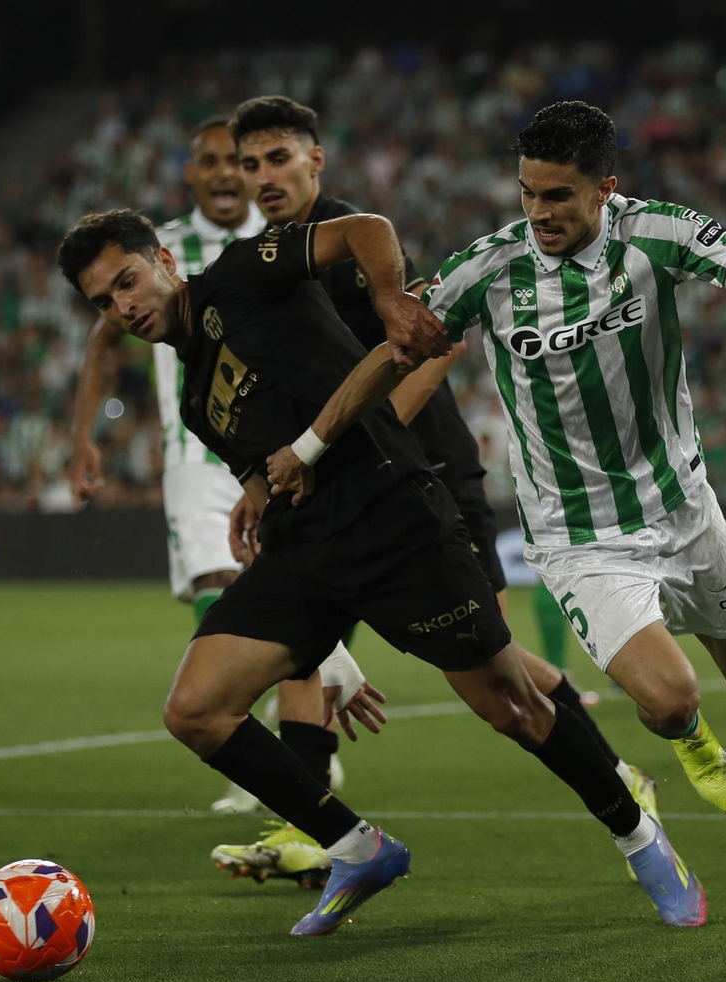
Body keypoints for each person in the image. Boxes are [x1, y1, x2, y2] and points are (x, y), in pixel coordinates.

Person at [267, 100, 726, 923]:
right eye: (528, 193)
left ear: (606, 189)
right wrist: (306, 450)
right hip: (580, 534)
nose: (539, 213)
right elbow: (394, 352)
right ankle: (689, 739)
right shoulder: (489, 268)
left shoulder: (658, 233)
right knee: (671, 699)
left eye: (559, 197)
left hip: (685, 507)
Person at [55, 207, 706, 935]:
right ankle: (357, 849)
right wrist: (262, 514)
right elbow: (268, 479)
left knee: (511, 705)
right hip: (305, 555)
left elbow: (367, 228)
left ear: (166, 260)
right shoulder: (192, 396)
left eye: (129, 280)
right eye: (105, 301)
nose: (125, 305)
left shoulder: (240, 274)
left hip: (395, 522)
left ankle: (641, 838)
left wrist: (392, 298)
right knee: (195, 710)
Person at [207, 96, 657, 886]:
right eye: (249, 164)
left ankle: (618, 778)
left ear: (318, 160)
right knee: (301, 645)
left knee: (494, 672)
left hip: (427, 476)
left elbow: (428, 345)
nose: (263, 177)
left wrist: (351, 445)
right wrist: (266, 477)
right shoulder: (269, 260)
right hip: (346, 485)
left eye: (280, 158)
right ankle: (309, 825)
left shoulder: (344, 243)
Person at [66, 117, 349, 832]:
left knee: (286, 596)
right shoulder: (148, 250)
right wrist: (84, 440)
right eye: (211, 162)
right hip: (200, 454)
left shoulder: (282, 232)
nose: (227, 173)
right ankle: (266, 750)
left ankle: (296, 763)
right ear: (191, 173)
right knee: (225, 589)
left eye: (238, 160)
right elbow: (104, 343)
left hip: (283, 445)